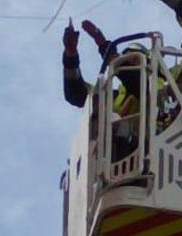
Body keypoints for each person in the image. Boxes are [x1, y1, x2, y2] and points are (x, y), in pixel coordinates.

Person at [61, 20, 145, 160]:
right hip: (104, 153)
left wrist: (102, 43)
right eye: (127, 59)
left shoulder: (153, 85)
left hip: (136, 148)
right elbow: (76, 94)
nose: (129, 62)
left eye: (134, 59)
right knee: (100, 105)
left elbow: (135, 80)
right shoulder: (114, 96)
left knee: (116, 119)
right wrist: (70, 55)